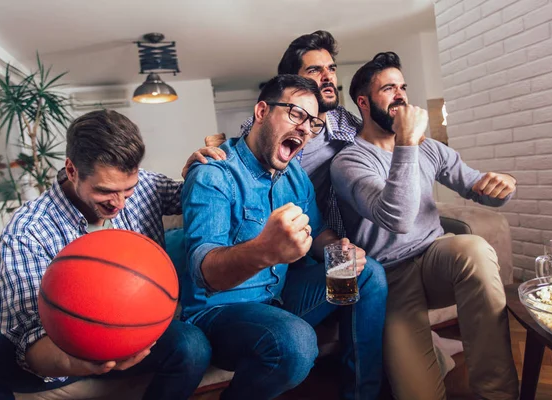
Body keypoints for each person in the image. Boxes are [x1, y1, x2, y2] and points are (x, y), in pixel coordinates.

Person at [0, 110, 225, 400]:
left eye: (128, 190)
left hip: (136, 334)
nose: (119, 204)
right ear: (72, 170)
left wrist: (205, 170)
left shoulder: (146, 187)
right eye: (105, 191)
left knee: (192, 345)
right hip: (64, 347)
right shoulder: (28, 229)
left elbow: (201, 197)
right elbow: (26, 332)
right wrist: (83, 359)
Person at [181, 74, 387, 400]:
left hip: (280, 299)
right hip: (219, 315)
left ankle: (361, 395)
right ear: (262, 111)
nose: (306, 128)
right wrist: (265, 250)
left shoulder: (294, 176)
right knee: (295, 342)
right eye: (296, 114)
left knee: (367, 272)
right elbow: (205, 273)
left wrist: (338, 248)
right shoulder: (213, 173)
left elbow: (317, 232)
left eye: (313, 122)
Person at [330, 52, 519, 400]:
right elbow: (397, 219)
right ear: (364, 102)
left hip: (436, 258)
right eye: (389, 89)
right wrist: (405, 142)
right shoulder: (349, 161)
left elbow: (478, 187)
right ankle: (432, 355)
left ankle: (498, 394)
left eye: (403, 87)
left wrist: (503, 184)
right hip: (390, 278)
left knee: (474, 248)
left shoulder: (429, 148)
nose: (401, 95)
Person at [208, 30, 361, 237]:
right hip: (268, 234)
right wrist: (211, 157)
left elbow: (380, 142)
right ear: (293, 81)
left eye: (331, 68)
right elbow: (233, 170)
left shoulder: (348, 126)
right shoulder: (260, 127)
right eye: (315, 70)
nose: (328, 77)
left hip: (322, 233)